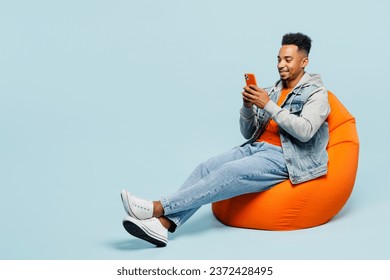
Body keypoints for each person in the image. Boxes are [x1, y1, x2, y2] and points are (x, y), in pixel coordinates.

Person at [120, 32, 330, 247]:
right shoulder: (274, 91)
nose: (280, 65)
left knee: (229, 173)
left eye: (288, 59)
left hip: (287, 157)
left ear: (304, 62)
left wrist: (267, 105)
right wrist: (248, 107)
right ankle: (162, 226)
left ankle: (157, 208)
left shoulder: (317, 94)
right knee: (206, 167)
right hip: (256, 147)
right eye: (278, 59)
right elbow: (248, 134)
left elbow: (305, 131)